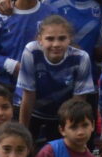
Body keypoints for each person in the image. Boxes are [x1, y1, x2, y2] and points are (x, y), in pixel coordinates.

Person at [19, 14, 97, 145]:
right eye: (50, 39)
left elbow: (77, 103)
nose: (56, 44)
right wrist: (21, 133)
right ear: (40, 40)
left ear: (70, 39)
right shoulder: (31, 52)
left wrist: (71, 135)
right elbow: (28, 95)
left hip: (65, 115)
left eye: (62, 38)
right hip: (35, 112)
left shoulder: (81, 58)